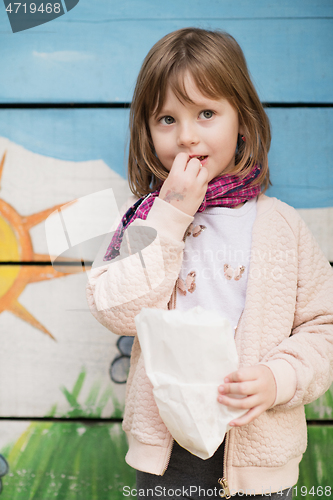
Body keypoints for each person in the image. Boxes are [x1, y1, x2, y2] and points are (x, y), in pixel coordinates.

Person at [86, 28, 333, 499]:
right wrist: (171, 213)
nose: (186, 137)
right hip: (168, 454)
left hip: (259, 449)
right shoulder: (147, 219)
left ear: (241, 120)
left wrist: (279, 379)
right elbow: (114, 307)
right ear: (146, 129)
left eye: (206, 113)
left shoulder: (281, 225)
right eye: (166, 118)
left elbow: (325, 324)